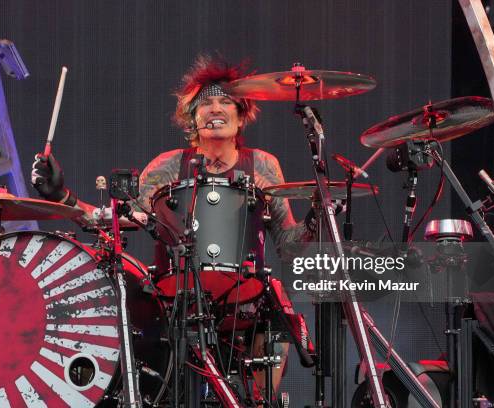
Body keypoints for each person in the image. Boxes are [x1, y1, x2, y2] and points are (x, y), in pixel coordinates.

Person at [31, 54, 316, 405]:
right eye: (205, 103)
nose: (215, 108)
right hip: (176, 299)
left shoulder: (263, 165)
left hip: (246, 298)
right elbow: (115, 220)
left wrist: (318, 216)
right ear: (192, 118)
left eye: (225, 101)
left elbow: (288, 241)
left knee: (277, 306)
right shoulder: (168, 167)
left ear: (241, 115)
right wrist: (63, 196)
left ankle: (261, 401)